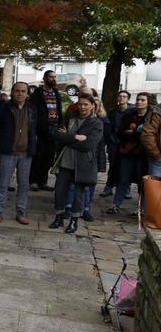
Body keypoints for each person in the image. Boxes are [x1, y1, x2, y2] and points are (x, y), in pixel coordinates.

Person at [49, 93, 103, 234]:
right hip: (65, 161)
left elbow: (89, 145)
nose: (82, 107)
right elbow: (57, 135)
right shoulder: (71, 117)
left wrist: (68, 139)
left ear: (92, 106)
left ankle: (74, 221)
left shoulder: (96, 123)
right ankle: (59, 217)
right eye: (80, 104)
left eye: (86, 104)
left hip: (83, 163)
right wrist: (75, 137)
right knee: (59, 191)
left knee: (79, 194)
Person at [0, 82, 38, 225]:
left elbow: (35, 128)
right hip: (8, 152)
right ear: (12, 92)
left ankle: (21, 213)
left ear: (27, 94)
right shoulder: (4, 108)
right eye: (17, 91)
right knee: (3, 183)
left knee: (23, 185)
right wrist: (0, 142)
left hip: (25, 153)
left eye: (23, 91)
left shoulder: (32, 109)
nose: (20, 93)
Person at [109, 92, 154, 215]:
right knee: (123, 179)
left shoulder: (151, 117)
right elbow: (120, 132)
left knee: (142, 182)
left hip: (143, 154)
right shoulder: (129, 115)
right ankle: (115, 205)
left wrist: (133, 134)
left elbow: (148, 135)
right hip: (127, 153)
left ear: (148, 102)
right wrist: (134, 135)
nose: (139, 102)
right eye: (138, 99)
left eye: (142, 100)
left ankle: (141, 208)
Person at [29, 70, 63, 192]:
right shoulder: (37, 94)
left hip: (53, 131)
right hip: (40, 131)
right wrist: (33, 131)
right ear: (44, 78)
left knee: (48, 157)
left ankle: (43, 181)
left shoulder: (56, 93)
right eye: (50, 77)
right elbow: (33, 113)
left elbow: (59, 110)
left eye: (54, 77)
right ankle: (33, 181)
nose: (53, 79)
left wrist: (60, 125)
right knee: (37, 156)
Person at [100, 91, 133, 197]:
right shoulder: (113, 111)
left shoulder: (132, 111)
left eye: (124, 97)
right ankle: (109, 186)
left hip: (127, 142)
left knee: (126, 166)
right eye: (120, 96)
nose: (122, 98)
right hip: (114, 142)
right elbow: (109, 127)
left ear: (128, 99)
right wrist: (110, 139)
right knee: (113, 165)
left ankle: (126, 188)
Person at [82, 93, 108, 222]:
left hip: (96, 153)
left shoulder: (102, 120)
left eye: (96, 105)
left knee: (91, 182)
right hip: (84, 153)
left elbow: (104, 140)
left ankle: (86, 207)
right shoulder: (82, 119)